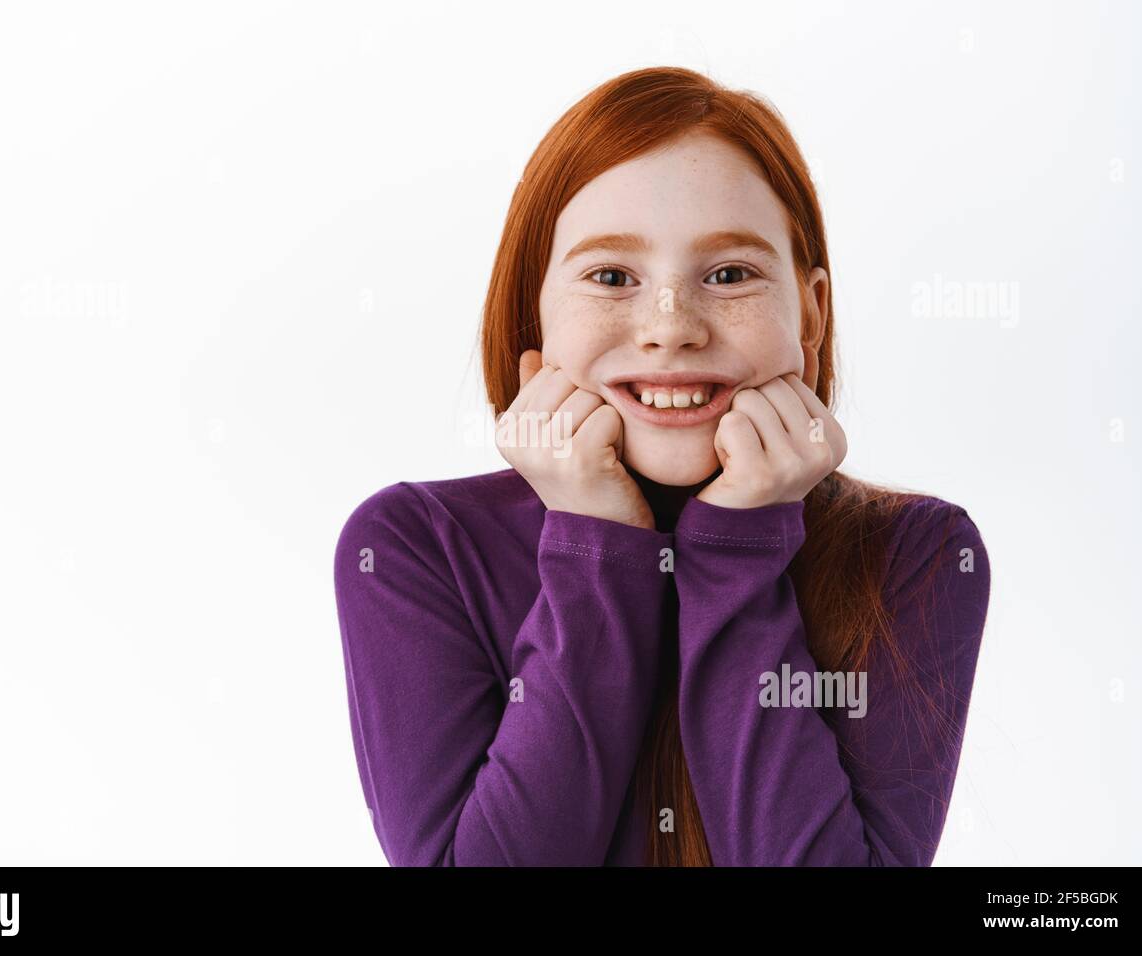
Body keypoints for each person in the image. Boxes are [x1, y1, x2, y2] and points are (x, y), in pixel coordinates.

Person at [333, 66, 991, 866]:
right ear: (532, 314)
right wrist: (594, 548)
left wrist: (738, 553)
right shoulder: (413, 547)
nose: (670, 328)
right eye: (611, 277)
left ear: (809, 313)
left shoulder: (918, 555)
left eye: (729, 274)